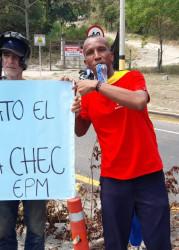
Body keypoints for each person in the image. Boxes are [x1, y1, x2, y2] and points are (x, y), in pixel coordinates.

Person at [67, 35, 171, 250]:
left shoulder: (132, 77)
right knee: (115, 244)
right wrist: (75, 111)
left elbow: (139, 102)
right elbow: (80, 131)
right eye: (90, 53)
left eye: (101, 50)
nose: (97, 56)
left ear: (111, 56)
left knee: (159, 243)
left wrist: (97, 85)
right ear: (86, 62)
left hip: (148, 176)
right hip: (113, 181)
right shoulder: (87, 94)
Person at [0, 31, 47, 249]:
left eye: (15, 56)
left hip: (35, 171)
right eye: (6, 55)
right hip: (1, 172)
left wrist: (64, 94)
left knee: (36, 232)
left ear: (23, 61)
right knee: (3, 233)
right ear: (0, 58)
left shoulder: (41, 92)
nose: (10, 61)